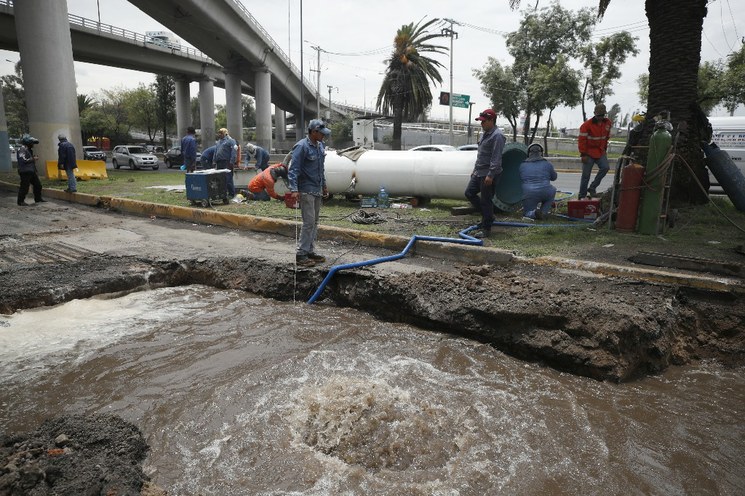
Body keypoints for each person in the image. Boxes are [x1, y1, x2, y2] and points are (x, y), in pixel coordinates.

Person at [288, 119, 331, 267]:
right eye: (322, 134)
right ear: (314, 132)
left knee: (315, 222)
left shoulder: (319, 146)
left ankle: (310, 251)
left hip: (317, 189)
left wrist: (324, 185)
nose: (324, 136)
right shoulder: (302, 147)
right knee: (309, 222)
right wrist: (294, 189)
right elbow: (294, 169)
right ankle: (301, 254)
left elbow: (321, 169)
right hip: (306, 190)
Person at [464, 108, 505, 238]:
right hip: (479, 171)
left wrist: (490, 175)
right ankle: (489, 216)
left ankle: (486, 228)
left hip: (489, 173)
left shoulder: (497, 136)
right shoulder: (484, 134)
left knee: (486, 200)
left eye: (483, 121)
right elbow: (481, 155)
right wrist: (475, 170)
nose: (481, 124)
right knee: (469, 193)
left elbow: (496, 157)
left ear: (491, 120)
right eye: (480, 121)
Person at [578, 103, 612, 198]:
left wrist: (604, 149)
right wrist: (583, 154)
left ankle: (592, 187)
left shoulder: (608, 123)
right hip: (588, 153)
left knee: (605, 168)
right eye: (599, 115)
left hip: (600, 151)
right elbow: (581, 140)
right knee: (585, 176)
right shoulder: (586, 125)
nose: (600, 117)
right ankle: (582, 195)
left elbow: (606, 137)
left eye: (602, 115)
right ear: (594, 113)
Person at [519, 143, 557, 221]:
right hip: (547, 191)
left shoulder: (522, 165)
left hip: (529, 193)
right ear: (541, 153)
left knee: (527, 213)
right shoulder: (548, 164)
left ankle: (534, 213)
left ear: (528, 153)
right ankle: (543, 212)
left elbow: (519, 179)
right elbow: (554, 177)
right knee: (553, 190)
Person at [16, 134, 46, 206]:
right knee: (24, 186)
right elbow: (23, 160)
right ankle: (20, 201)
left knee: (38, 185)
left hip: (31, 171)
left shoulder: (29, 150)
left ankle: (38, 199)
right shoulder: (22, 149)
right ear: (28, 143)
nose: (33, 145)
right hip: (25, 171)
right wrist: (33, 159)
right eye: (32, 143)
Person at [213, 128, 238, 197]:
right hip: (219, 162)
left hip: (227, 162)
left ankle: (231, 193)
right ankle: (222, 193)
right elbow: (216, 151)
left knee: (228, 178)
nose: (219, 134)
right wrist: (214, 160)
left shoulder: (231, 141)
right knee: (220, 178)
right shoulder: (218, 142)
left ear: (225, 133)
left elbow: (234, 151)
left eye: (221, 133)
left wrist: (232, 161)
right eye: (219, 133)